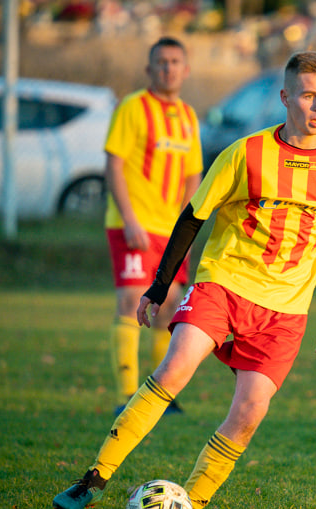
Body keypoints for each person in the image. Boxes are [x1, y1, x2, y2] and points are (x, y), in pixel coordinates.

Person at [53, 51, 316, 509]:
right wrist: (159, 288)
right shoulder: (245, 153)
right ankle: (93, 480)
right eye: (309, 95)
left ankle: (194, 506)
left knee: (249, 413)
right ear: (286, 97)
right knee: (175, 368)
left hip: (286, 310)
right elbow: (194, 216)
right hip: (223, 283)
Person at [104, 36, 203, 416]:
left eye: (175, 61)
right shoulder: (132, 108)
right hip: (132, 225)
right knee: (132, 302)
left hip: (170, 230)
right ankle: (126, 395)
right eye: (161, 62)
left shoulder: (189, 116)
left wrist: (185, 228)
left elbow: (193, 173)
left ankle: (162, 394)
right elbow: (114, 164)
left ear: (186, 69)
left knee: (172, 306)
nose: (168, 68)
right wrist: (129, 219)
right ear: (149, 69)